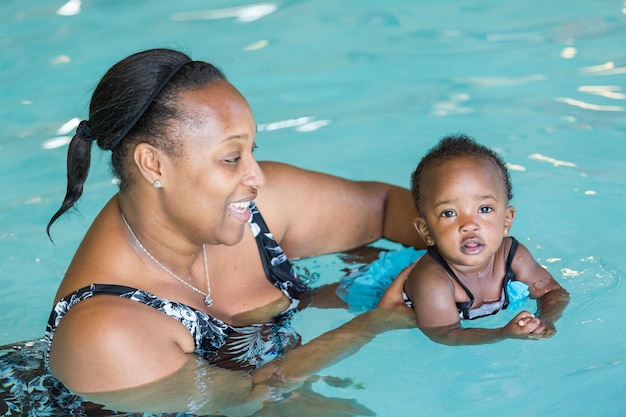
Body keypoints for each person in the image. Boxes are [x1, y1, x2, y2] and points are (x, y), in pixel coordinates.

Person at [44, 47, 426, 414]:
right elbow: (254, 401)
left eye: (252, 151)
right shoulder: (106, 332)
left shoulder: (249, 210)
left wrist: (472, 241)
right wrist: (376, 321)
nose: (256, 177)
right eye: (231, 158)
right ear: (153, 165)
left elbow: (384, 207)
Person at [399, 134, 570, 345]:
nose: (469, 224)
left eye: (485, 209)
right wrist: (502, 333)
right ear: (426, 232)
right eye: (449, 213)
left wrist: (545, 319)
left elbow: (554, 292)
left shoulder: (512, 255)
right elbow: (445, 334)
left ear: (506, 221)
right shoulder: (433, 280)